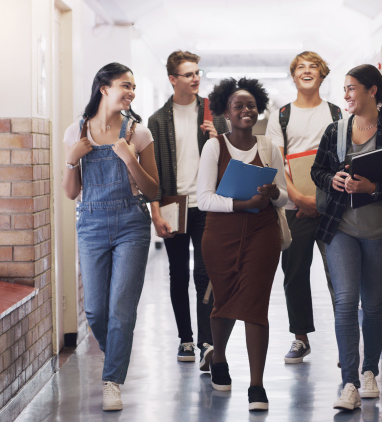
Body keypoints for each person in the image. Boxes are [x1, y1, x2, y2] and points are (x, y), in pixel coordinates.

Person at [311, 64, 382, 411]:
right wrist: (333, 180)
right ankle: (350, 383)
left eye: (352, 88)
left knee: (372, 304)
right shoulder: (335, 131)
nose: (346, 95)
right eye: (345, 88)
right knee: (344, 302)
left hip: (381, 232)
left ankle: (370, 371)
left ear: (373, 91)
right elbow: (317, 170)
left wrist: (373, 188)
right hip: (340, 229)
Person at [62, 63, 159, 412]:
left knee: (121, 309)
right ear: (103, 87)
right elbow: (71, 193)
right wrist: (72, 161)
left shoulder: (139, 133)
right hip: (90, 224)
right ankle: (116, 352)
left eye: (133, 86)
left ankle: (112, 381)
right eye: (124, 85)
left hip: (132, 223)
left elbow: (153, 189)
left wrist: (131, 159)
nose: (131, 92)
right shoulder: (77, 130)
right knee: (96, 310)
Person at [196, 77, 288, 411]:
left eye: (251, 105)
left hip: (262, 234)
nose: (246, 110)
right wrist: (241, 203)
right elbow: (203, 199)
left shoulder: (268, 148)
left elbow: (286, 200)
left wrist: (274, 194)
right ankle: (218, 357)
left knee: (255, 303)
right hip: (221, 235)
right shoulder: (214, 146)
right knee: (223, 300)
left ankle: (257, 385)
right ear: (225, 112)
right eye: (239, 106)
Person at [148, 51, 229, 366]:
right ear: (172, 79)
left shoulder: (215, 114)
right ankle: (185, 339)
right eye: (188, 74)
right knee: (178, 273)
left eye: (198, 72)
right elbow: (151, 172)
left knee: (204, 273)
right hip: (172, 202)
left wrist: (217, 138)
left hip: (207, 203)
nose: (196, 78)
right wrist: (154, 211)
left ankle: (207, 342)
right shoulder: (157, 120)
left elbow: (232, 160)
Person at [265, 51, 343, 363]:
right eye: (301, 67)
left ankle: (345, 340)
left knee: (339, 275)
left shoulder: (337, 114)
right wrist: (298, 198)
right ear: (294, 75)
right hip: (294, 207)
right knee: (294, 273)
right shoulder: (281, 116)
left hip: (333, 207)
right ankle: (300, 338)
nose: (307, 71)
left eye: (313, 67)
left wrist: (323, 200)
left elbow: (343, 159)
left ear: (322, 76)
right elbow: (277, 161)